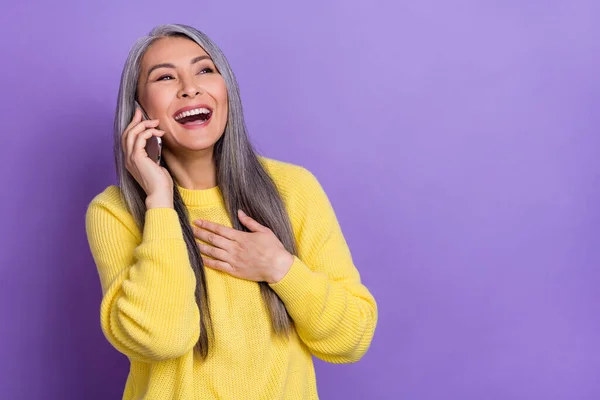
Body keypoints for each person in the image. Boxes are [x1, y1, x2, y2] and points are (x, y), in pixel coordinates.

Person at [85, 23, 377, 400]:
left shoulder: (293, 189)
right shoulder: (116, 212)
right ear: (139, 110)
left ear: (226, 91)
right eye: (165, 77)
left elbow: (351, 338)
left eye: (205, 70)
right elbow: (162, 339)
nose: (190, 87)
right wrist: (158, 199)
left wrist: (280, 268)